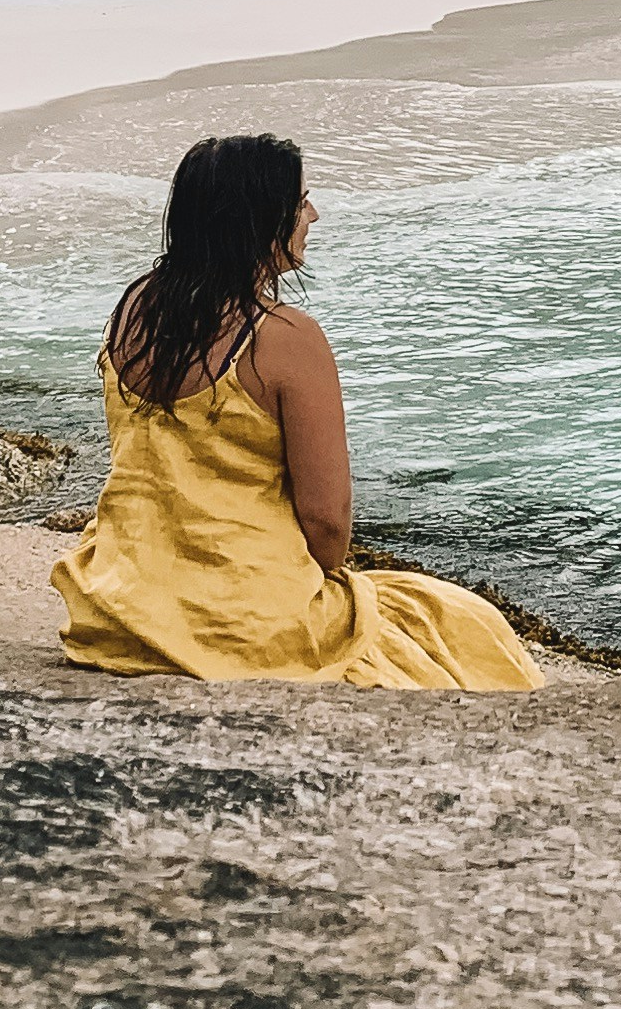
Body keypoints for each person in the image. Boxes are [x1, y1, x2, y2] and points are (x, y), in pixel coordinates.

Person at [52, 131, 543, 688]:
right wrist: (312, 582)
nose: (313, 213)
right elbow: (327, 522)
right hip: (242, 618)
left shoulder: (135, 309)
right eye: (301, 200)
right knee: (458, 621)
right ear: (259, 219)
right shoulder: (286, 339)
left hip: (121, 606)